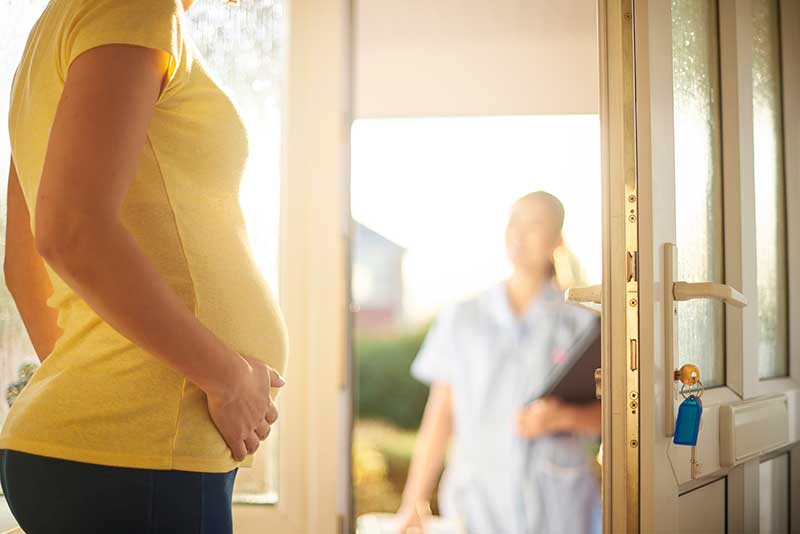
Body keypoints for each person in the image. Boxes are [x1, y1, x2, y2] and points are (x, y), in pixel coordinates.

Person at [0, 0, 288, 531]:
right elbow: (73, 234)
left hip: (112, 453)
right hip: (142, 458)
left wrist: (92, 384)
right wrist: (227, 378)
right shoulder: (134, 8)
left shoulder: (57, 30)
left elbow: (23, 265)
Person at [395, 191, 602, 534]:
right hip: (476, 502)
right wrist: (412, 502)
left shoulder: (582, 324)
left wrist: (562, 417)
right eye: (514, 222)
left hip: (559, 505)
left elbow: (615, 418)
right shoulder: (461, 318)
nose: (519, 234)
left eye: (534, 225)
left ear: (556, 240)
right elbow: (440, 415)